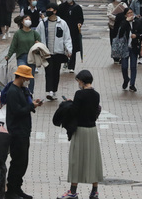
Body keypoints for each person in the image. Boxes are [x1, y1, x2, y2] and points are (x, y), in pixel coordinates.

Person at [57, 70, 103, 199]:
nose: (78, 84)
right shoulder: (96, 94)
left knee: (75, 160)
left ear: (82, 81)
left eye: (78, 81)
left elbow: (74, 111)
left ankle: (72, 191)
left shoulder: (79, 94)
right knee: (93, 160)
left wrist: (70, 103)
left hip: (81, 130)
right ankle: (94, 191)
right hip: (92, 130)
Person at [4, 65, 44, 199]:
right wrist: (31, 106)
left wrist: (32, 103)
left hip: (23, 131)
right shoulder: (13, 92)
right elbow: (17, 111)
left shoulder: (21, 90)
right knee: (17, 162)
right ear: (20, 77)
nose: (28, 81)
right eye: (27, 78)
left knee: (23, 162)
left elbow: (22, 107)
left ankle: (17, 188)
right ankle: (11, 191)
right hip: (17, 132)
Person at [36, 3, 72, 101]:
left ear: (55, 11)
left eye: (50, 9)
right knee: (48, 71)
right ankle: (49, 91)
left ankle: (54, 90)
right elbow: (37, 35)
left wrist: (69, 50)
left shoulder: (62, 23)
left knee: (56, 72)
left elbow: (67, 38)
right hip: (46, 52)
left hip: (58, 52)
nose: (48, 10)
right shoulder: (42, 23)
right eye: (47, 8)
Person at [5, 15, 41, 95]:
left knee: (30, 76)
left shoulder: (34, 33)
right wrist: (9, 55)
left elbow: (41, 45)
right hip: (21, 57)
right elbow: (13, 45)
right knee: (21, 74)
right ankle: (20, 91)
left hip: (32, 57)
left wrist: (38, 45)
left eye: (29, 19)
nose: (28, 20)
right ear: (22, 22)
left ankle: (30, 92)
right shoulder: (18, 33)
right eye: (26, 19)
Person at [112, 7, 142, 91]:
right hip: (124, 47)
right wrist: (126, 21)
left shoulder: (137, 22)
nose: (131, 15)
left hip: (134, 47)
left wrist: (137, 36)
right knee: (124, 66)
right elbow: (120, 33)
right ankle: (126, 79)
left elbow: (141, 33)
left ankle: (132, 84)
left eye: (131, 13)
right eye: (129, 13)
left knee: (133, 66)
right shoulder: (123, 23)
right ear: (125, 15)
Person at [57, 0, 84, 73]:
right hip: (63, 31)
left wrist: (79, 23)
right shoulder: (61, 7)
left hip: (74, 31)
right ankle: (65, 61)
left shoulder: (77, 7)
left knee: (73, 48)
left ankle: (71, 66)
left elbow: (81, 18)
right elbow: (58, 17)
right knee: (64, 47)